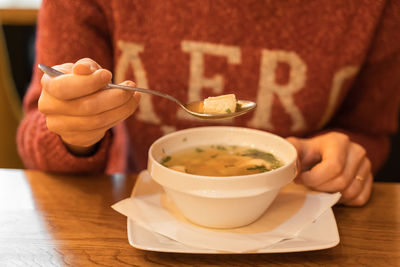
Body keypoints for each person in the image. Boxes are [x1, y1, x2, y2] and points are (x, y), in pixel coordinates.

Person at [17, 0, 399, 206]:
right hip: (142, 213)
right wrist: (75, 132)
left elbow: (369, 128)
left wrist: (343, 157)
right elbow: (39, 133)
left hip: (293, 214)